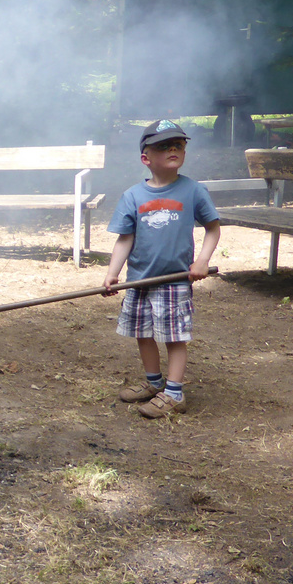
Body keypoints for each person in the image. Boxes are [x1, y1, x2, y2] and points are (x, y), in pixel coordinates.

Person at [103, 120, 221, 419]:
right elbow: (125, 238)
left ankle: (174, 393)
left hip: (175, 280)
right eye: (163, 146)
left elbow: (212, 228)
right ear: (146, 158)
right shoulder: (133, 196)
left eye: (178, 145)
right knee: (143, 333)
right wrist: (112, 273)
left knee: (173, 336)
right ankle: (154, 383)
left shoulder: (193, 190)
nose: (173, 149)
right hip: (139, 280)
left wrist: (202, 261)